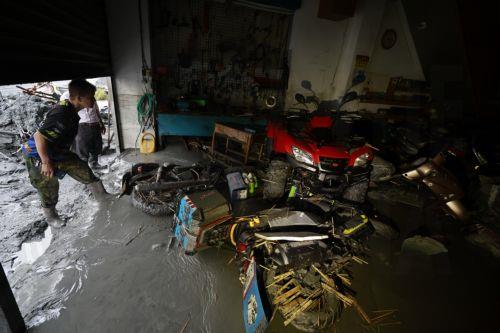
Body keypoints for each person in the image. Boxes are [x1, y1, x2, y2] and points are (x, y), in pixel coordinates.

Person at [22, 79, 109, 229]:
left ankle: (103, 196)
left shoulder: (72, 111)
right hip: (38, 154)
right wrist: (45, 161)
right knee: (48, 185)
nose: (94, 100)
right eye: (91, 97)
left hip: (59, 151)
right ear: (79, 99)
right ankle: (52, 217)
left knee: (83, 170)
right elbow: (38, 136)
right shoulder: (61, 112)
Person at [60, 89, 106, 169]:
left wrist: (101, 124)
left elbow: (96, 110)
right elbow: (63, 109)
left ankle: (94, 164)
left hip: (95, 125)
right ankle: (85, 170)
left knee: (96, 147)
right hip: (82, 126)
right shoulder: (67, 95)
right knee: (83, 149)